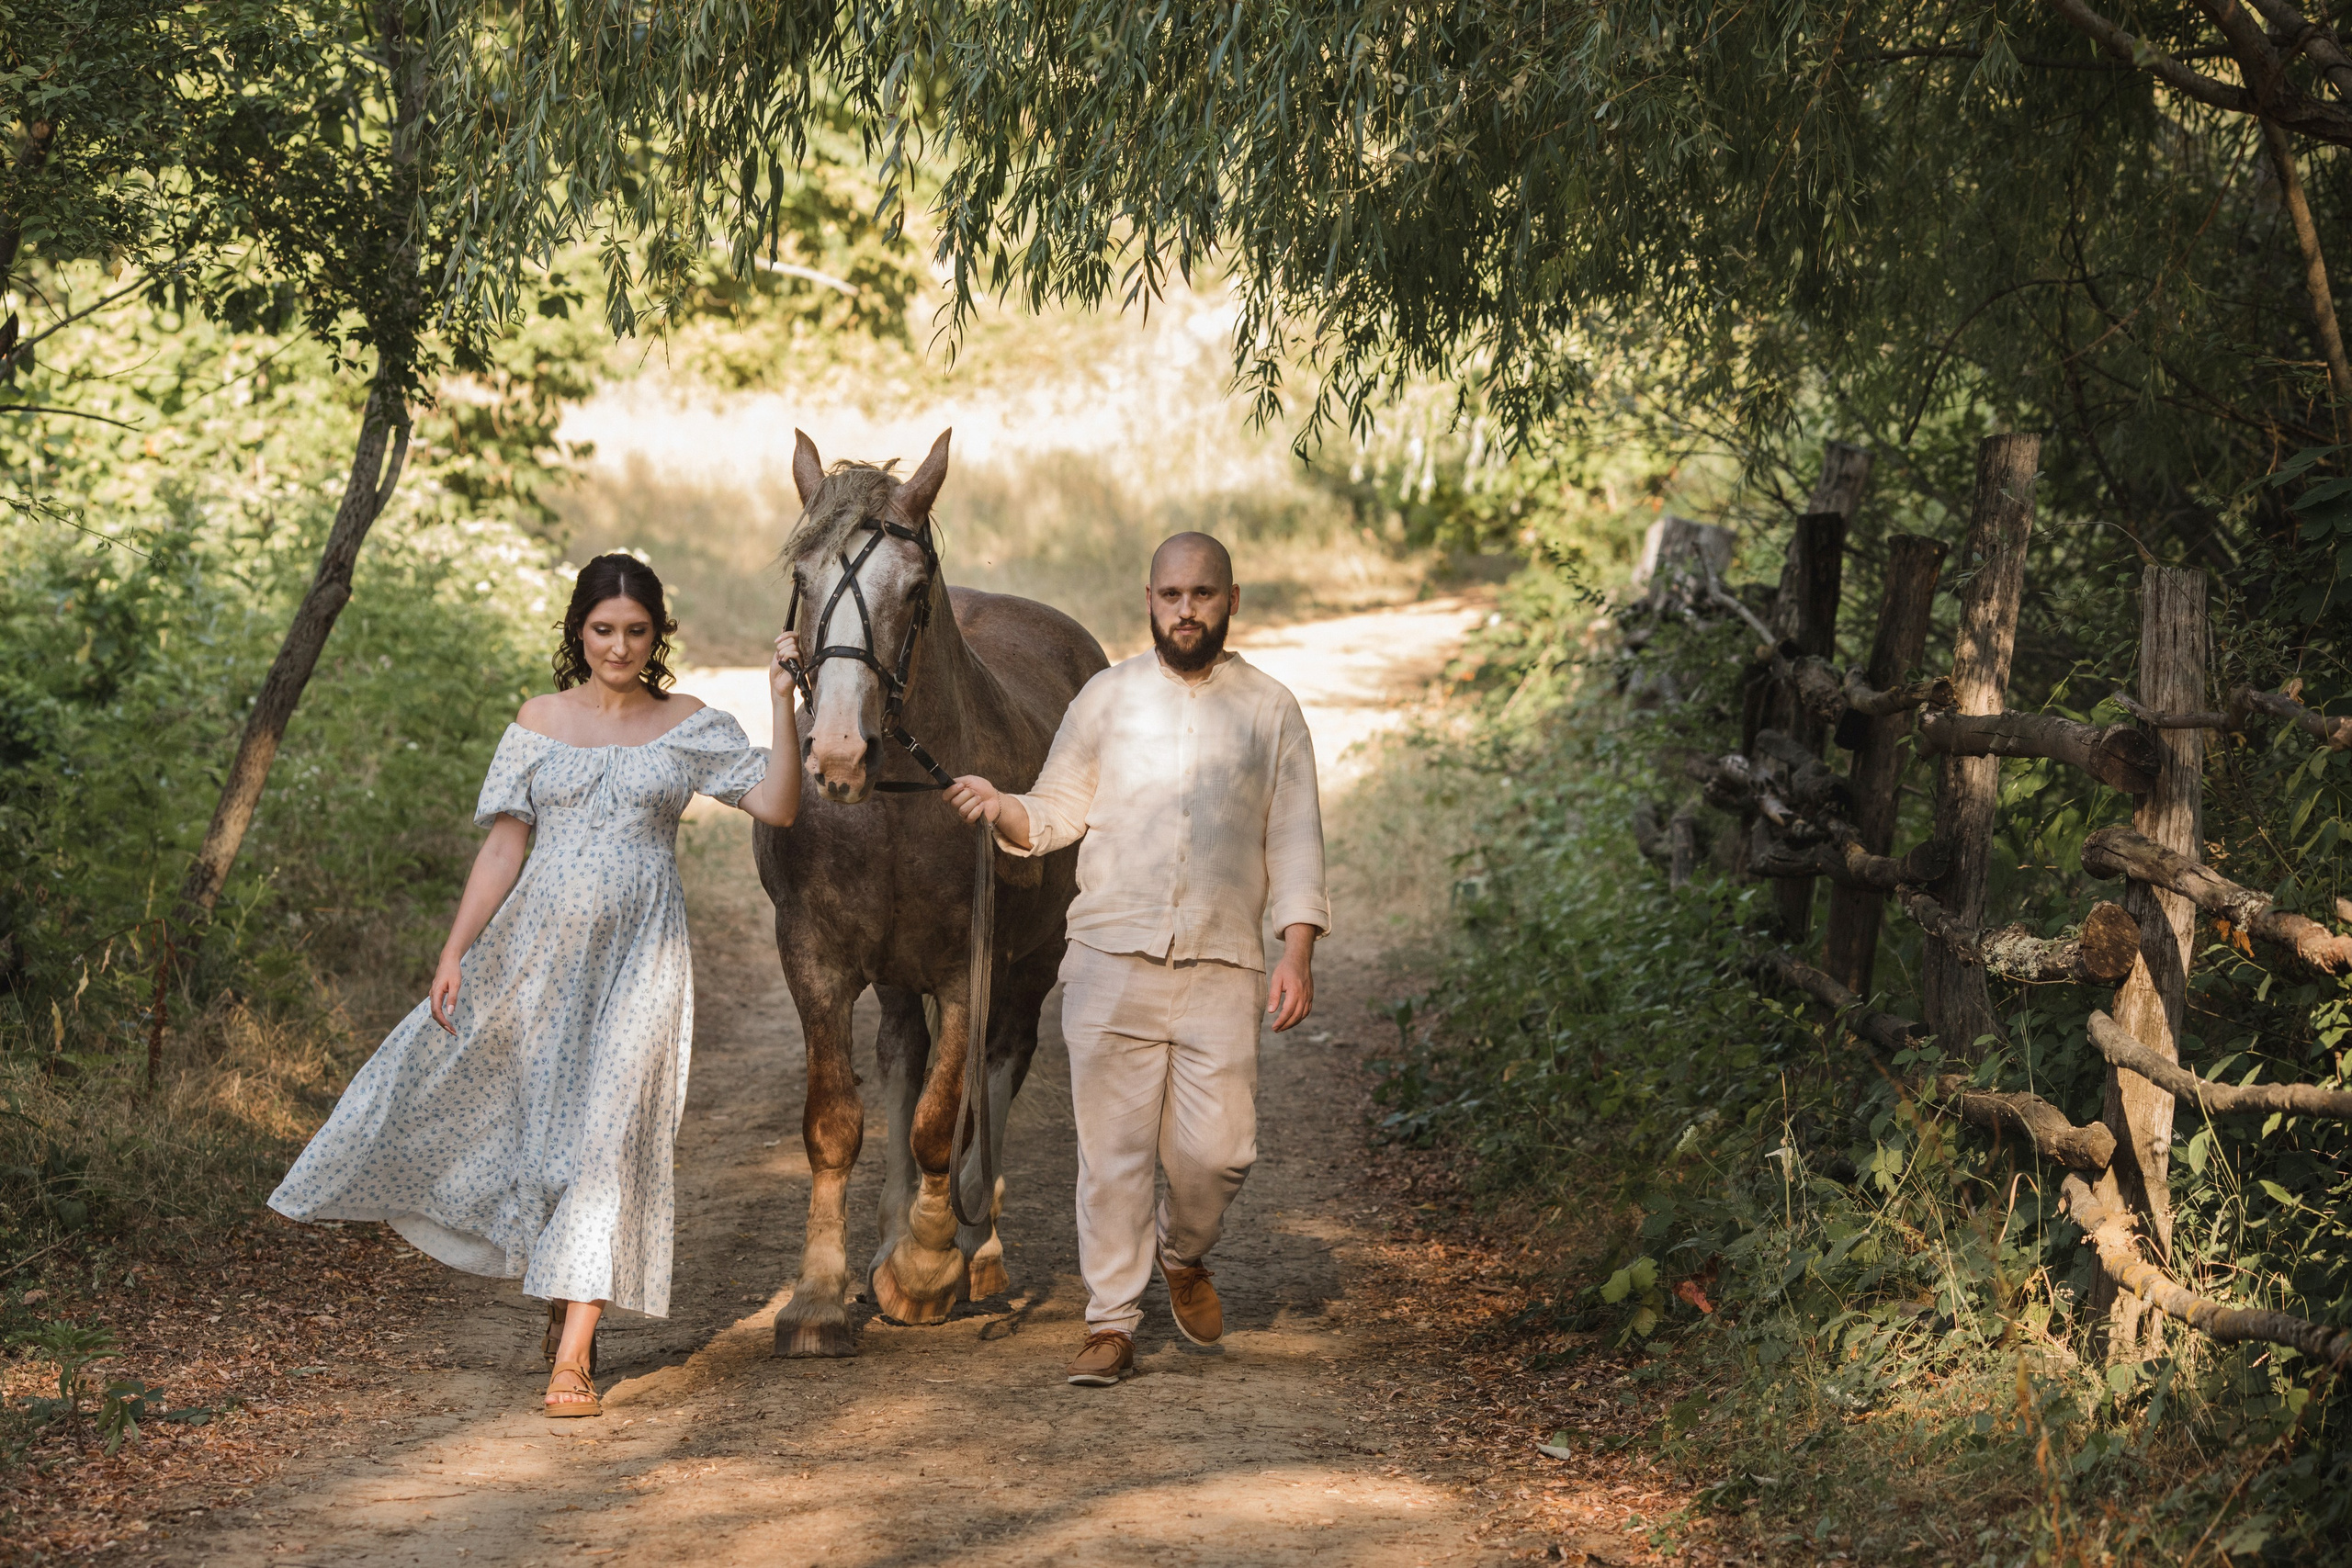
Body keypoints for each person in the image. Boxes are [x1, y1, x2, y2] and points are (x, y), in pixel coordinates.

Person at [268, 554, 802, 1417]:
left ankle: (575, 1358)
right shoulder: (539, 720)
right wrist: (454, 952)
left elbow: (779, 804)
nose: (619, 647)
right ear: (577, 631)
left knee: (609, 1142)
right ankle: (566, 1301)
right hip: (535, 958)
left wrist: (782, 702)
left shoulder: (688, 723)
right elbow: (503, 847)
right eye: (602, 630)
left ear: (658, 635)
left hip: (643, 961)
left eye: (636, 631)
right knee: (548, 1139)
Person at [946, 531, 1329, 1388]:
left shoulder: (1271, 709)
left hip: (1221, 964)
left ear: (1232, 600)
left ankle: (1184, 1252)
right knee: (1112, 1154)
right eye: (1170, 595)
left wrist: (1295, 949)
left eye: (1202, 594)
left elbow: (1296, 835)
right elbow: (1053, 812)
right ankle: (1110, 1322)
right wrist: (1000, 805)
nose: (1185, 610)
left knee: (1222, 1152)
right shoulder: (1106, 699)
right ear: (1148, 600)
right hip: (1109, 959)